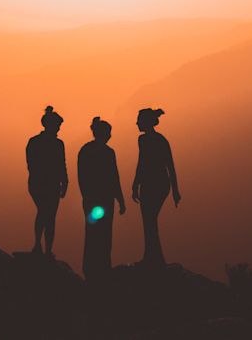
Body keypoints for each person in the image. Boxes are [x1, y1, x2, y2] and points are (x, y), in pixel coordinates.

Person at [77, 117, 125, 279]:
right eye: (108, 132)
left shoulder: (85, 150)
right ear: (102, 133)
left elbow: (82, 177)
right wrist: (120, 199)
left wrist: (86, 196)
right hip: (103, 199)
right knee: (104, 233)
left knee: (92, 232)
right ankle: (102, 266)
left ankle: (91, 267)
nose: (110, 135)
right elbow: (114, 178)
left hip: (93, 200)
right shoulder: (107, 153)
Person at [132, 108, 180, 266]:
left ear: (145, 122)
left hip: (155, 184)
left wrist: (176, 190)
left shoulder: (154, 140)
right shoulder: (153, 140)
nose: (137, 123)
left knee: (149, 220)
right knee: (149, 220)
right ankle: (153, 257)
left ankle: (153, 258)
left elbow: (168, 164)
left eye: (139, 120)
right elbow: (143, 162)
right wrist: (135, 184)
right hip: (154, 183)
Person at [25, 106, 68, 257]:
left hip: (42, 184)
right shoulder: (55, 144)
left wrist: (64, 181)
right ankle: (43, 248)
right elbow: (60, 165)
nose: (58, 129)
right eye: (57, 126)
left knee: (46, 214)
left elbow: (32, 164)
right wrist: (64, 181)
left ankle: (42, 247)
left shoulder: (35, 142)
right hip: (46, 184)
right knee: (47, 214)